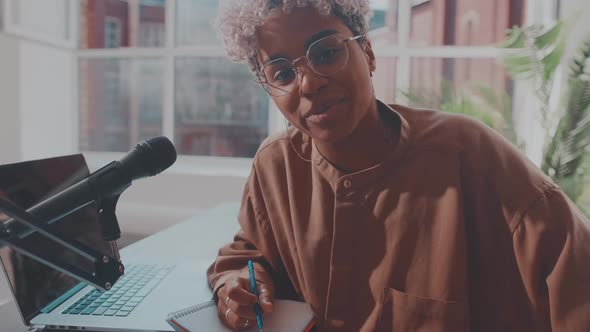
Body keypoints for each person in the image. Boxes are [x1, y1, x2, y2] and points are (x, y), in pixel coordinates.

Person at [206, 1, 590, 331]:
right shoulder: (276, 166)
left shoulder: (471, 154)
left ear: (368, 53)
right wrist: (236, 284)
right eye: (283, 73)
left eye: (325, 53)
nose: (307, 85)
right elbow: (246, 255)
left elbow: (576, 275)